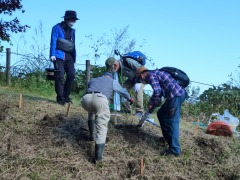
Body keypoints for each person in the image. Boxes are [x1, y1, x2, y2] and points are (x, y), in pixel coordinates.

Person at [81, 71, 134, 163]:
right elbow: (122, 91)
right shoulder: (112, 81)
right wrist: (129, 98)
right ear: (110, 77)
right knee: (102, 126)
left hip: (86, 99)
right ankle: (98, 159)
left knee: (91, 112)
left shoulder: (94, 79)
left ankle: (92, 136)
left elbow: (89, 88)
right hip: (100, 98)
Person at [136, 67, 186, 156]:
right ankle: (167, 139)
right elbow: (159, 94)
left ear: (142, 75)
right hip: (174, 95)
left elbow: (157, 91)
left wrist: (151, 102)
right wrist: (152, 106)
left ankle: (175, 150)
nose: (142, 81)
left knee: (172, 121)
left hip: (176, 96)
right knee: (161, 114)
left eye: (140, 79)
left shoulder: (151, 75)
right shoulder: (156, 74)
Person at [49, 10, 79, 105]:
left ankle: (66, 96)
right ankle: (60, 98)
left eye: (74, 20)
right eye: (72, 19)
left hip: (69, 56)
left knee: (72, 74)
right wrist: (52, 54)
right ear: (67, 19)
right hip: (58, 55)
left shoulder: (72, 31)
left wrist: (74, 58)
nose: (73, 22)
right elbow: (53, 41)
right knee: (60, 76)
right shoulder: (56, 28)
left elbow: (72, 45)